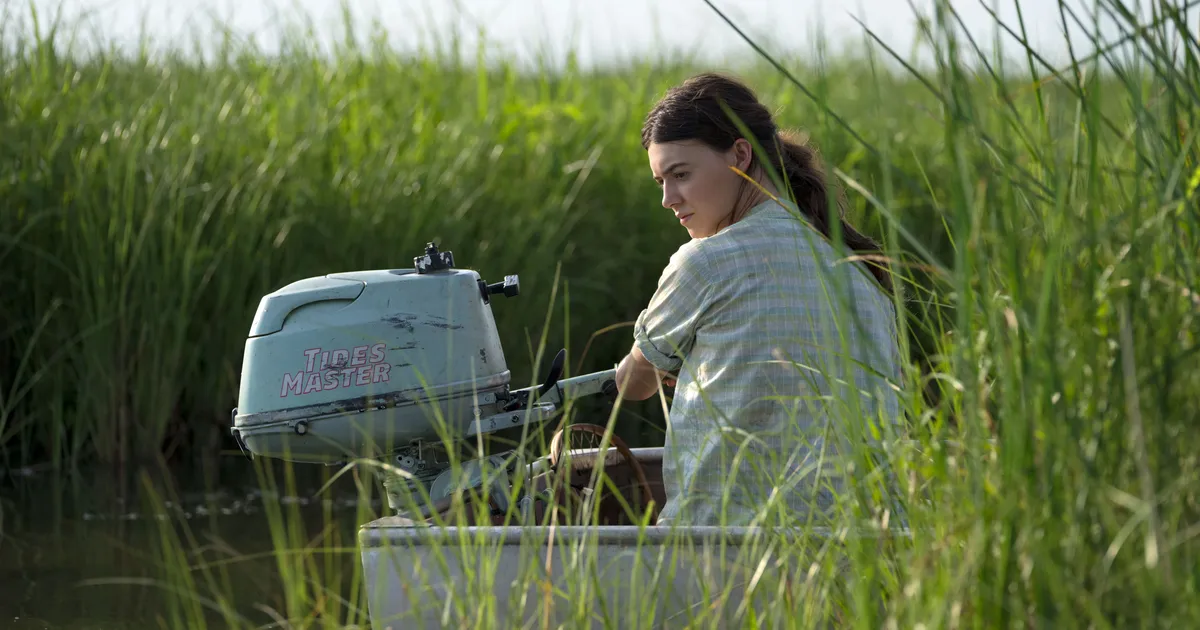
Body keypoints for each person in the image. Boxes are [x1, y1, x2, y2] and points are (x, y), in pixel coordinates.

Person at [614, 73, 903, 528]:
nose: (669, 199)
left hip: (729, 547)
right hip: (868, 543)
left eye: (681, 174)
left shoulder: (704, 263)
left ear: (740, 155)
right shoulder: (860, 268)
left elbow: (632, 385)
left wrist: (654, 365)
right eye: (660, 182)